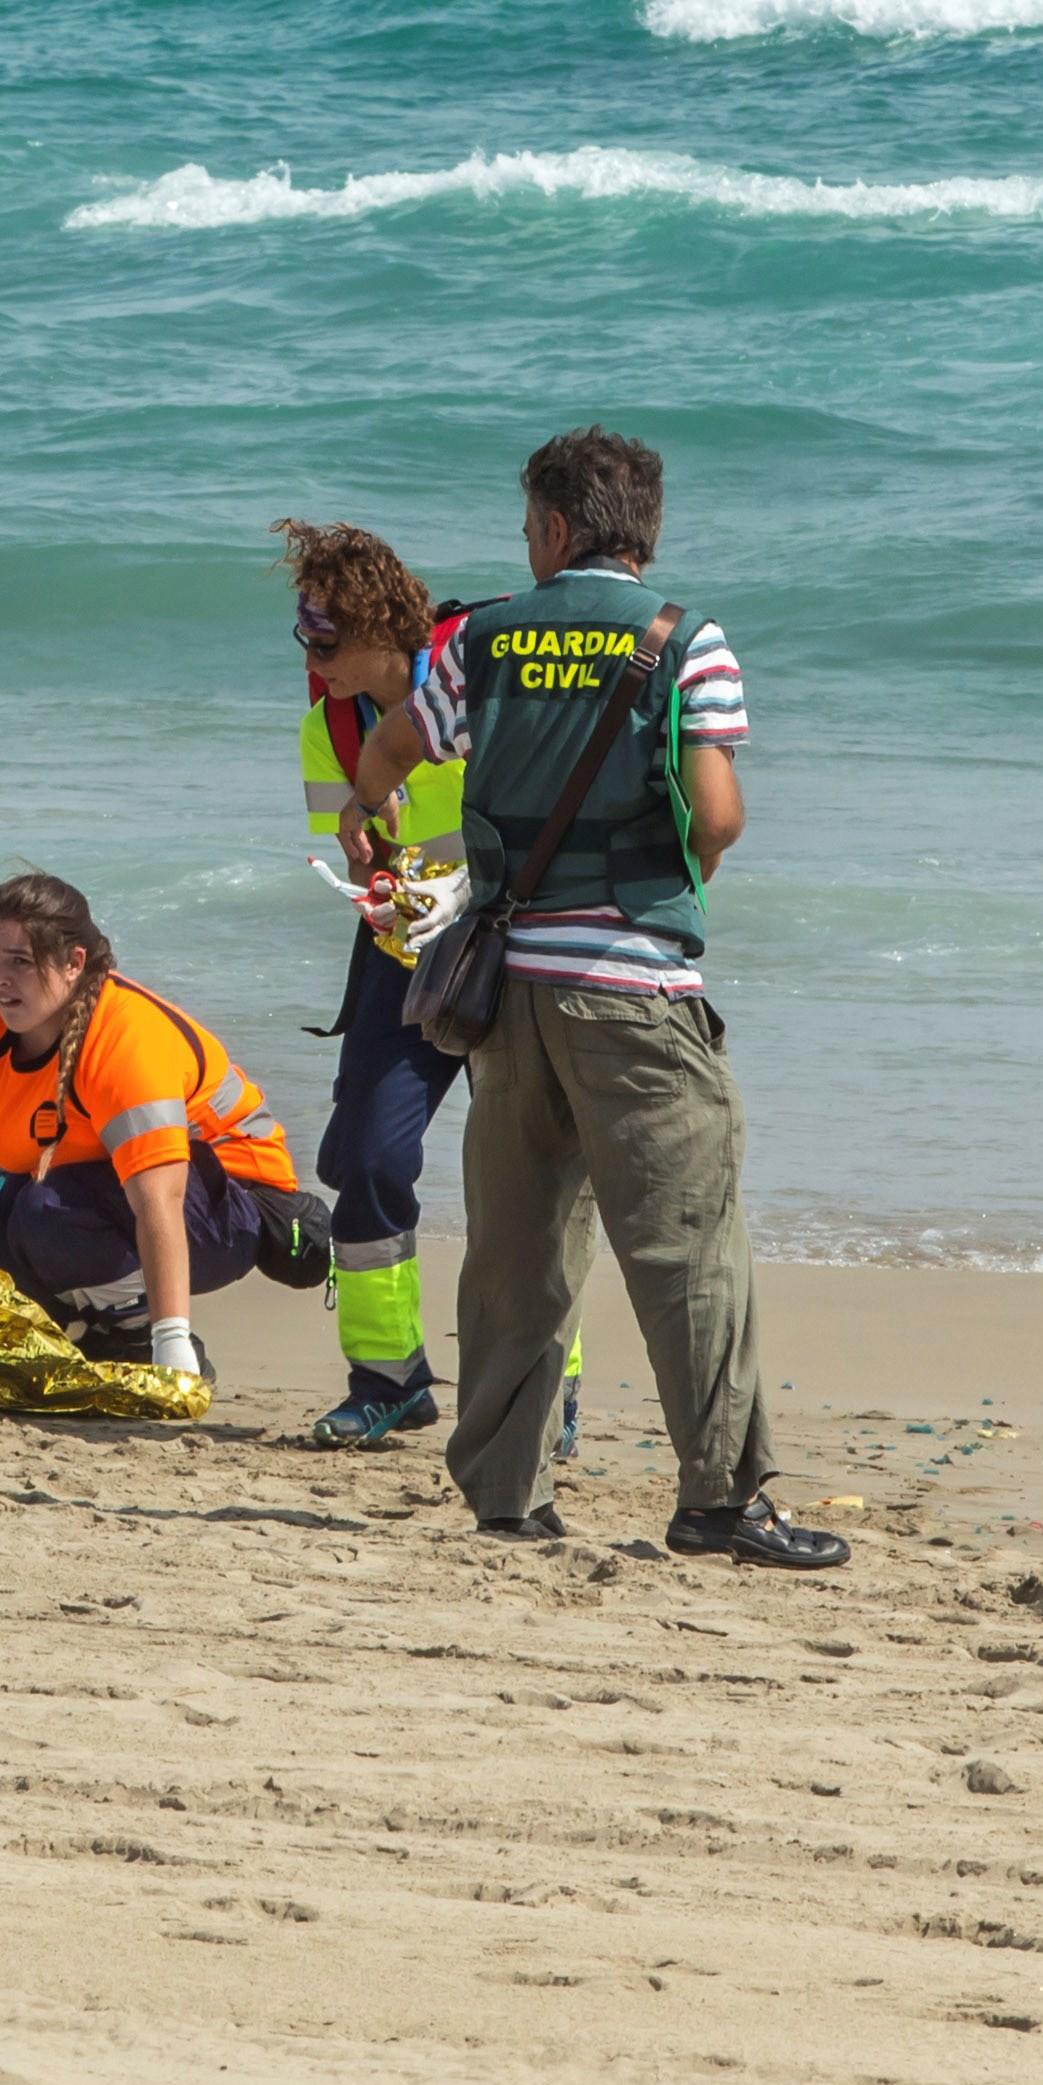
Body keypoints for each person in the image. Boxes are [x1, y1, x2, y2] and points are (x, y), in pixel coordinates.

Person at [352, 427, 842, 1569]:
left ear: (559, 528)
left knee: (518, 1252)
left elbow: (388, 757)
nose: (524, 544)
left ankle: (504, 1496)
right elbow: (715, 816)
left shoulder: (476, 638)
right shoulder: (686, 641)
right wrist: (664, 891)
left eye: (528, 525)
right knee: (687, 1250)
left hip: (507, 991)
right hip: (630, 992)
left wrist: (362, 824)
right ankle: (717, 1499)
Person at [0, 872, 323, 1387]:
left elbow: (158, 1201)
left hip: (231, 1210)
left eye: (21, 962)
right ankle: (84, 1320)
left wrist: (171, 1341)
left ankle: (136, 1331)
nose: (0, 980)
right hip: (100, 1192)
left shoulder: (126, 1039)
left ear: (74, 962)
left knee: (47, 1214)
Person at [284, 519, 491, 1446]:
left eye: (326, 642)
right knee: (364, 1154)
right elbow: (355, 844)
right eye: (303, 636)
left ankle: (538, 1391)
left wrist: (470, 888)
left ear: (378, 628)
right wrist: (377, 881)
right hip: (404, 954)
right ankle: (387, 1377)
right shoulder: (326, 724)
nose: (312, 658)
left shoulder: (483, 688)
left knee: (523, 1175)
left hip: (509, 945)